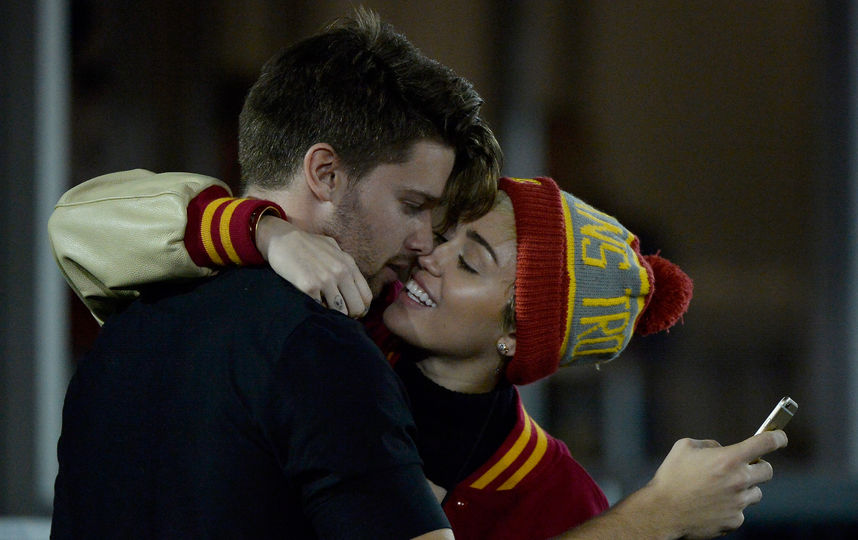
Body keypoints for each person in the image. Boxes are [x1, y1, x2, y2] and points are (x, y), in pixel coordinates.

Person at [51, 170, 787, 538]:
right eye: (442, 230)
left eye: (469, 262)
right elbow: (81, 220)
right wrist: (267, 233)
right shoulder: (332, 332)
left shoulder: (555, 495)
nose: (426, 254)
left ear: (516, 337)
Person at [51, 10, 501, 539]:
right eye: (412, 205)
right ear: (325, 174)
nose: (425, 240)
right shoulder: (322, 352)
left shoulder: (125, 326)